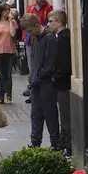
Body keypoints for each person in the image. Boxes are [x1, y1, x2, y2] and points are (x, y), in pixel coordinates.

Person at [25, 13, 58, 148]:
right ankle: (35, 142)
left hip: (46, 83)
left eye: (30, 31)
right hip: (36, 83)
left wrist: (38, 77)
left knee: (50, 115)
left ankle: (55, 144)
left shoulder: (49, 39)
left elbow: (49, 64)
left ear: (37, 25)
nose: (30, 34)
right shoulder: (36, 39)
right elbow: (34, 60)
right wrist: (32, 77)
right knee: (36, 115)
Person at [50, 10, 73, 155]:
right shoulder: (62, 37)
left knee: (65, 117)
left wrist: (56, 77)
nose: (48, 24)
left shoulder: (63, 39)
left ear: (59, 22)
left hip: (64, 85)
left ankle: (67, 146)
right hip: (63, 83)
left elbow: (63, 63)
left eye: (50, 21)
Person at [0, 3, 19, 104]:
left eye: (9, 10)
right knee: (0, 75)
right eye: (6, 10)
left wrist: (11, 20)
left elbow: (13, 34)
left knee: (8, 75)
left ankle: (9, 95)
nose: (8, 12)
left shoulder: (12, 22)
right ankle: (1, 96)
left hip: (9, 51)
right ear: (1, 11)